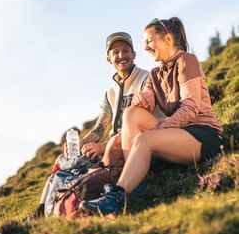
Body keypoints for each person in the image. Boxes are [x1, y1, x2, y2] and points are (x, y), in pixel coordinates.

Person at [80, 17, 223, 216]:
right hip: (179, 132)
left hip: (203, 134)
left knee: (144, 139)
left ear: (167, 39)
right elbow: (144, 100)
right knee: (131, 113)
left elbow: (190, 107)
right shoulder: (155, 74)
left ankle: (118, 196)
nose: (145, 46)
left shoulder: (186, 61)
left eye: (149, 40)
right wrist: (122, 129)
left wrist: (160, 129)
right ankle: (137, 181)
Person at [32, 32, 164, 217]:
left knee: (74, 174)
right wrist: (81, 145)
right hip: (111, 147)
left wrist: (103, 147)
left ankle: (77, 205)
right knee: (62, 163)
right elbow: (100, 127)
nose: (121, 56)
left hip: (131, 145)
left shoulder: (146, 79)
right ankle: (40, 211)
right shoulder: (110, 92)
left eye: (126, 50)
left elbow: (141, 124)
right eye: (115, 52)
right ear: (108, 59)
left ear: (134, 54)